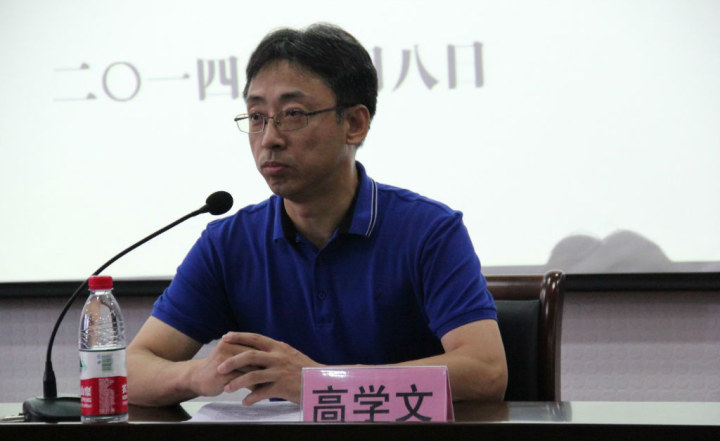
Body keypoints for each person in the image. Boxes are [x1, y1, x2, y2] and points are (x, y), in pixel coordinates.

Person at [127, 23, 507, 407]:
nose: (269, 138)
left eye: (293, 114)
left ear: (354, 124)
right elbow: (131, 370)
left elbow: (486, 370)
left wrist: (324, 383)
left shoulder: (428, 231)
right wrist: (197, 374)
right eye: (256, 117)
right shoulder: (228, 244)